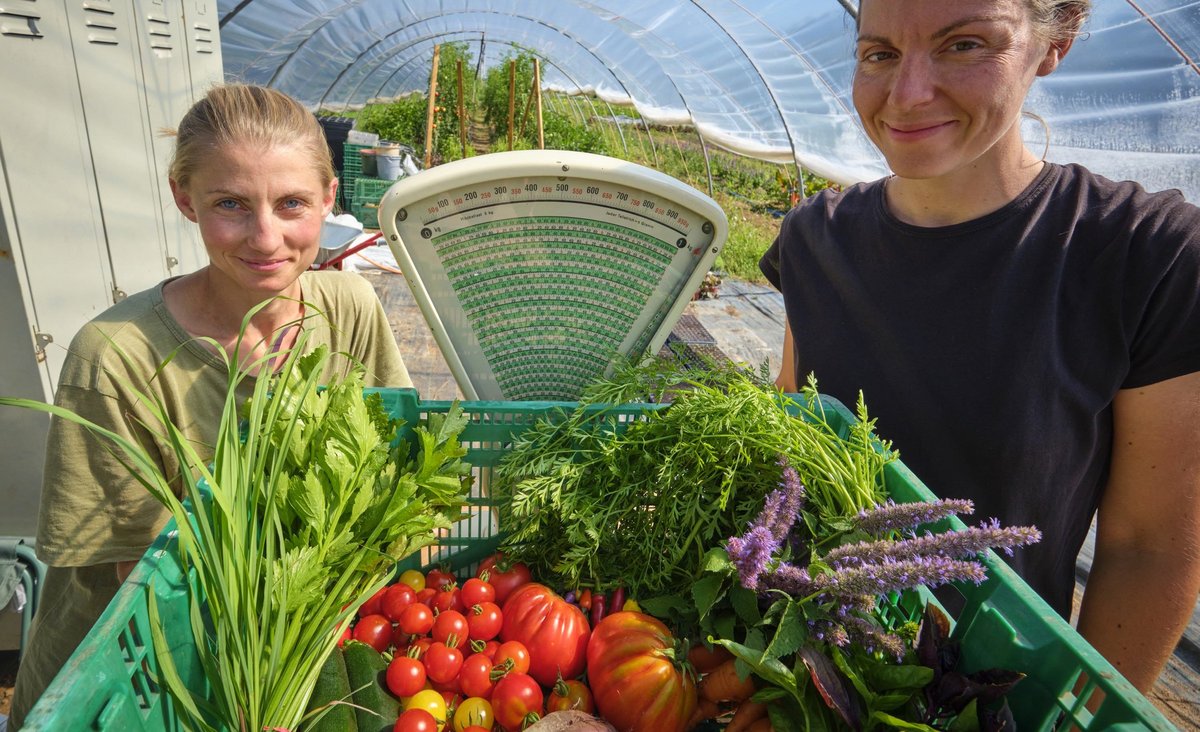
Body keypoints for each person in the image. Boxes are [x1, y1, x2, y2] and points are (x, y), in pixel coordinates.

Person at [762, 0, 1200, 694]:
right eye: (879, 54)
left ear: (1054, 42)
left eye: (964, 44)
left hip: (989, 697)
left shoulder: (1144, 255)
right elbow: (789, 445)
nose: (907, 95)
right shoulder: (814, 241)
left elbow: (1148, 551)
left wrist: (1076, 714)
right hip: (797, 675)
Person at [8, 83, 412, 728]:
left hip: (278, 645)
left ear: (330, 199)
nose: (265, 236)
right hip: (130, 681)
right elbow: (142, 583)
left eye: (292, 204)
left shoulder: (350, 311)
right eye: (231, 204)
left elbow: (389, 471)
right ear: (184, 199)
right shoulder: (117, 358)